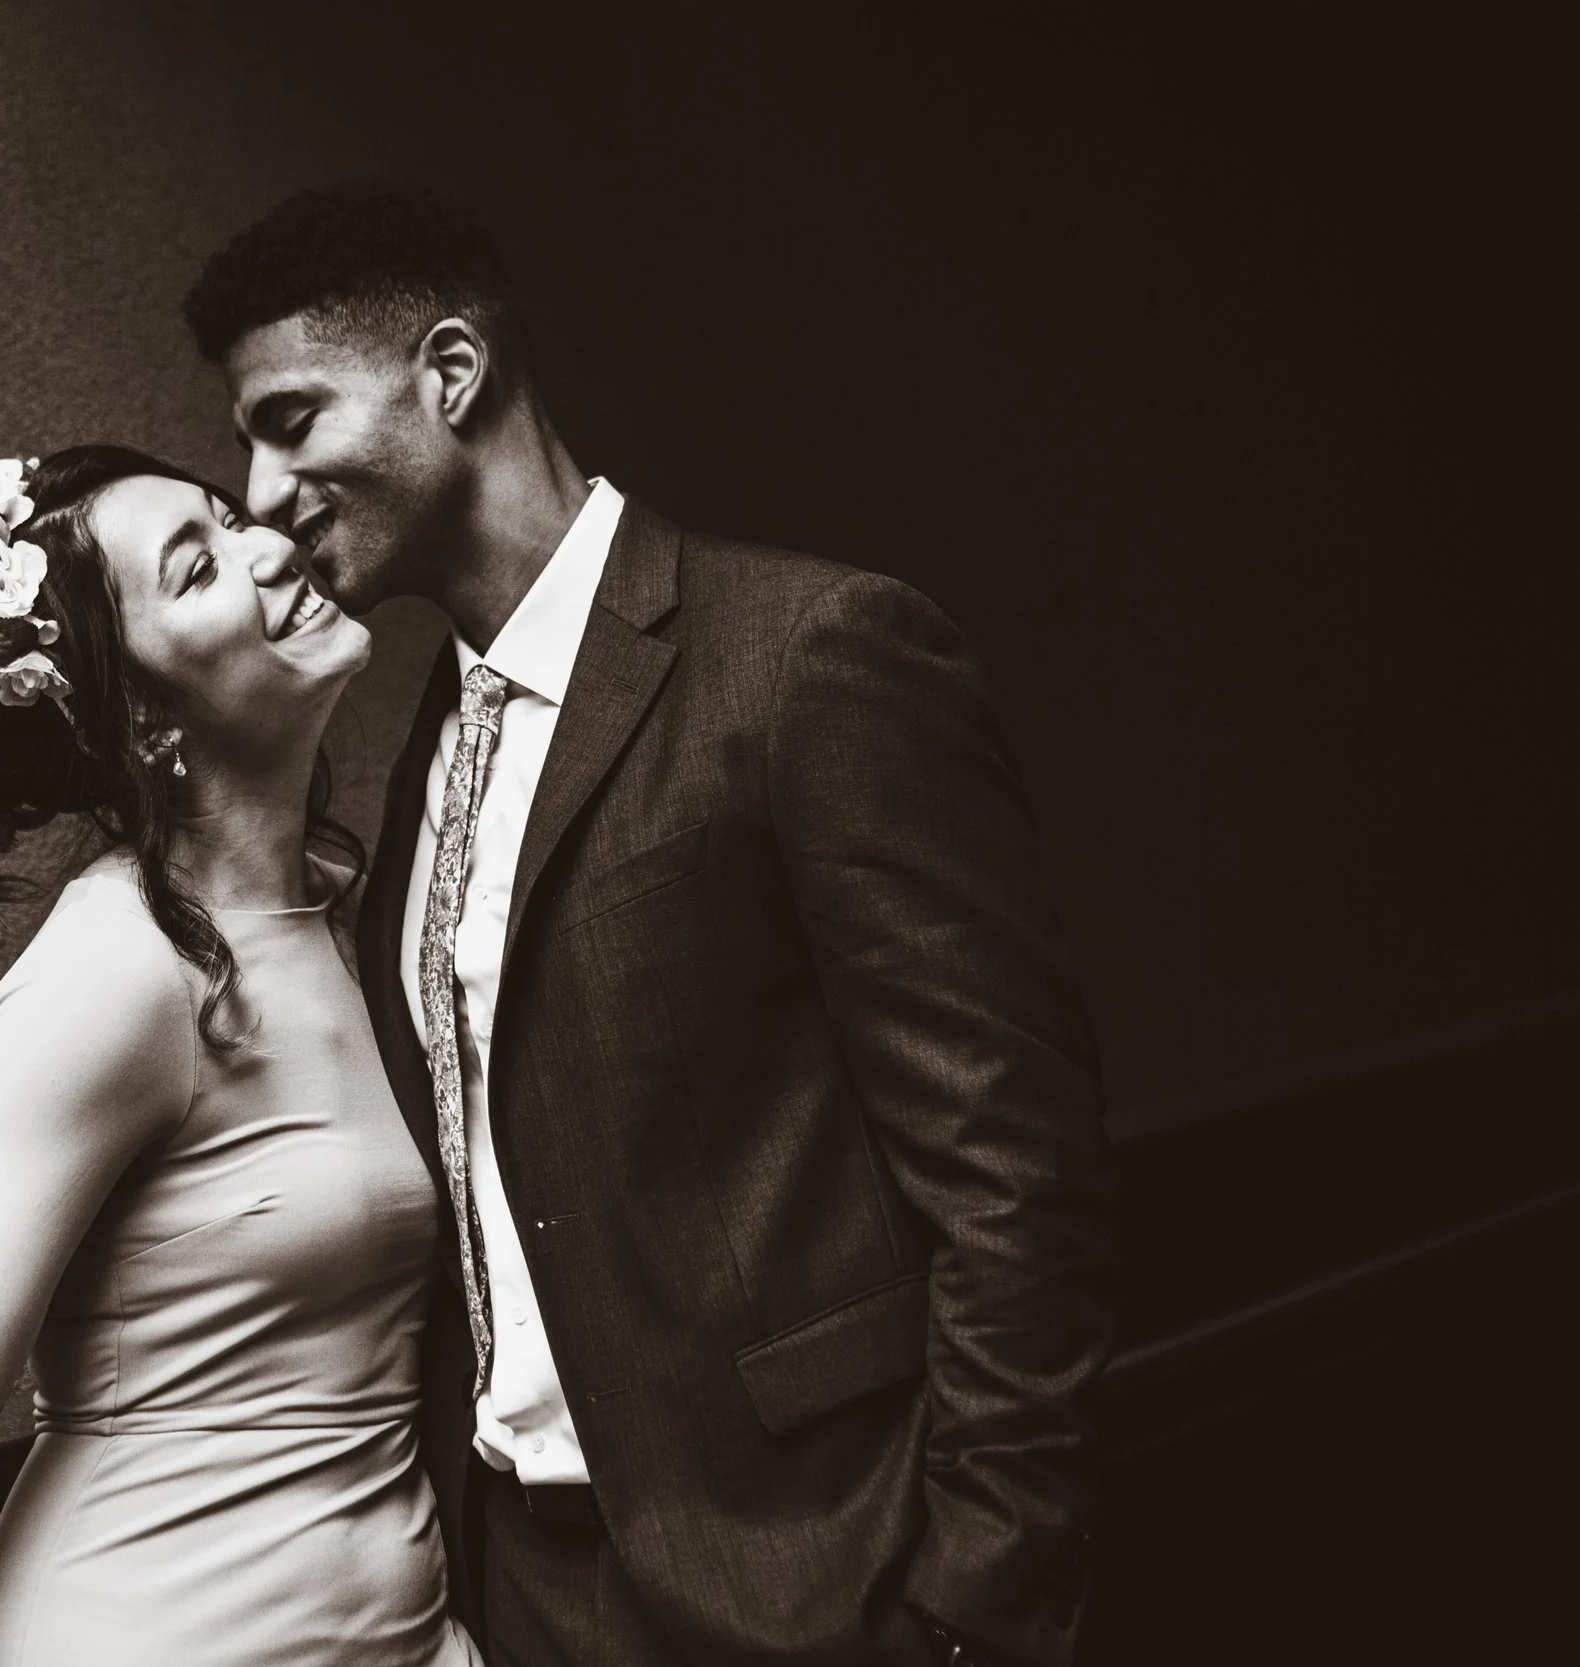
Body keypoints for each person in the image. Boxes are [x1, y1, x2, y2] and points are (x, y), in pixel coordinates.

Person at [184, 182, 1119, 1667]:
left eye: (290, 422)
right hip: (538, 1593)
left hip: (831, 1575)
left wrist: (976, 1597)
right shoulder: (423, 761)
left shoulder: (808, 654)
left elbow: (1013, 1172)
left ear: (450, 373)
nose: (263, 488)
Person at [0, 445, 481, 1667]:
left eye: (228, 517)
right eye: (198, 568)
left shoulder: (357, 912)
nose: (273, 547)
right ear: (142, 714)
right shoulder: (116, 973)